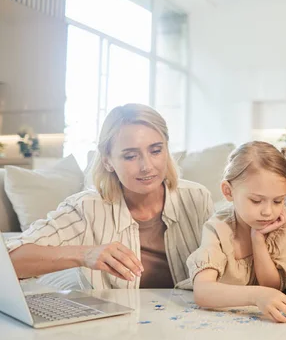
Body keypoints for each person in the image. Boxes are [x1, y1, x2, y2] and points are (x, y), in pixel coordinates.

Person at [8, 104, 214, 289]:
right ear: (107, 161)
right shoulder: (86, 209)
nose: (147, 166)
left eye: (156, 151)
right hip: (115, 327)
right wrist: (85, 254)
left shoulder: (197, 198)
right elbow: (11, 260)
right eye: (130, 156)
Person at [188, 141, 286, 323]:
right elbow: (202, 292)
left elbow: (273, 286)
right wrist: (256, 296)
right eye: (256, 201)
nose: (268, 212)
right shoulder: (218, 227)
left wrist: (257, 239)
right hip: (218, 323)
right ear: (228, 192)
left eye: (278, 201)